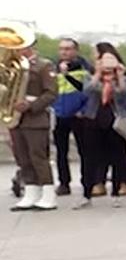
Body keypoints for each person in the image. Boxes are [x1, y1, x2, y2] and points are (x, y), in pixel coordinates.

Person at [5, 23, 58, 212]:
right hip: (16, 118)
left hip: (35, 119)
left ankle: (48, 194)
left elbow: (51, 93)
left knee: (38, 157)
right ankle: (31, 192)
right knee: (23, 158)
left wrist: (31, 105)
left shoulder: (44, 65)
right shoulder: (10, 66)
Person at [77, 51, 126, 208]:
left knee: (117, 157)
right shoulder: (90, 77)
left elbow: (125, 95)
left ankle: (116, 192)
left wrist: (119, 77)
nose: (108, 64)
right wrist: (98, 73)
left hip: (115, 121)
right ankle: (87, 193)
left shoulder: (124, 79)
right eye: (105, 60)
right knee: (90, 158)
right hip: (93, 119)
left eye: (111, 60)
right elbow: (88, 91)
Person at [49, 38, 92, 197]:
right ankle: (64, 183)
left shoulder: (85, 68)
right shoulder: (53, 69)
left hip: (78, 115)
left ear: (75, 51)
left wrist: (83, 110)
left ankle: (87, 182)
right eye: (61, 49)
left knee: (84, 150)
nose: (64, 52)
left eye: (68, 49)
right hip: (60, 114)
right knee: (61, 151)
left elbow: (89, 92)